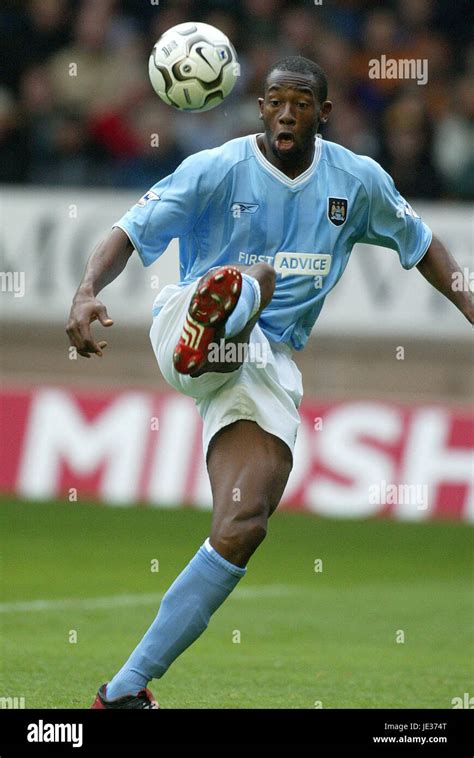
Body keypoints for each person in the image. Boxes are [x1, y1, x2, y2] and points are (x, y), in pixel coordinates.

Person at [66, 56, 473, 709]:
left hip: (263, 365)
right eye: (276, 101)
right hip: (187, 321)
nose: (288, 112)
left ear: (325, 113)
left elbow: (424, 246)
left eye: (302, 102)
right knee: (255, 279)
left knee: (243, 524)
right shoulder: (215, 168)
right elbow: (128, 231)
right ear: (260, 109)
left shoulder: (357, 182)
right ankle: (215, 325)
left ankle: (125, 689)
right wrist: (86, 292)